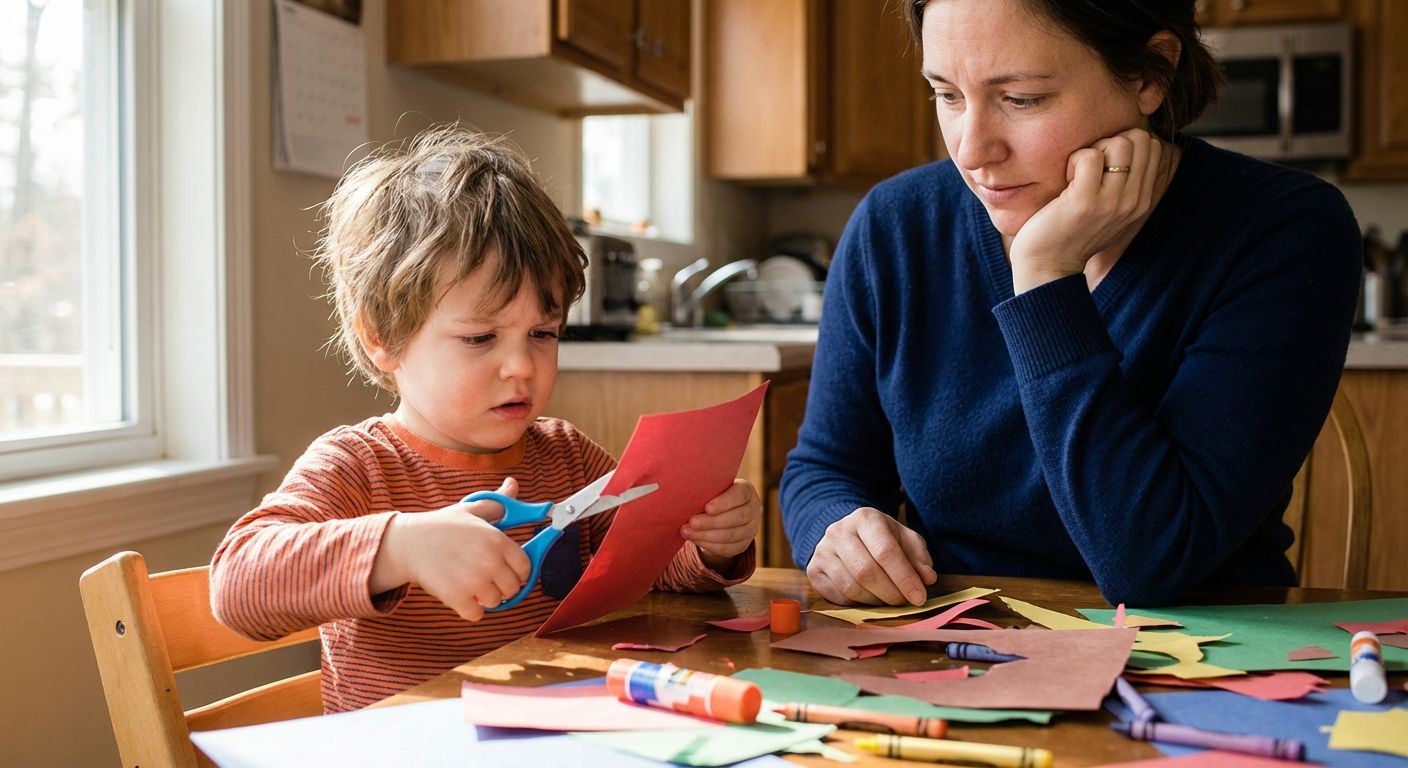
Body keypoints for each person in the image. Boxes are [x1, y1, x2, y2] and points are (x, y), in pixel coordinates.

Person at [779, 0, 1360, 608]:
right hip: (951, 647)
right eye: (947, 95)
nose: (972, 151)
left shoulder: (1285, 232)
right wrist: (837, 527)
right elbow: (823, 467)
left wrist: (1045, 277)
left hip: (1203, 660)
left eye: (1021, 98)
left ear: (1148, 75)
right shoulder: (894, 228)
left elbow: (1150, 563)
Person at [210, 126, 760, 712]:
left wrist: (712, 543)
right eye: (479, 338)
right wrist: (401, 547)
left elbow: (652, 568)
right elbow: (238, 582)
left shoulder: (567, 456)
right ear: (382, 338)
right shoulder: (357, 467)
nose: (521, 366)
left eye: (543, 334)